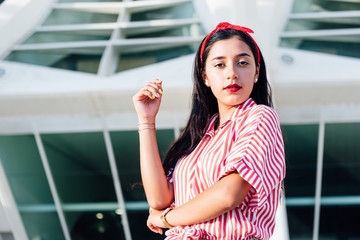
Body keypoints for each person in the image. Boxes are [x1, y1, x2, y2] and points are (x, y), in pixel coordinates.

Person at [132, 22, 286, 240]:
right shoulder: (202, 133)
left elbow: (228, 195)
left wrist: (166, 218)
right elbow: (159, 200)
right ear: (205, 77)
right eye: (219, 65)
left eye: (242, 63)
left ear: (256, 72)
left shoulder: (259, 117)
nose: (232, 74)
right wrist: (146, 121)